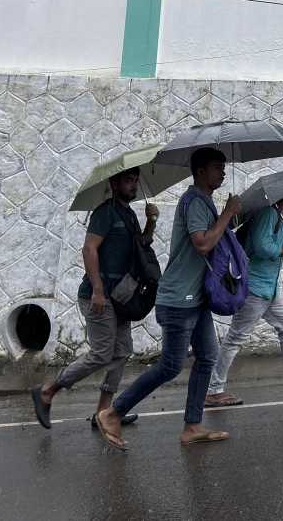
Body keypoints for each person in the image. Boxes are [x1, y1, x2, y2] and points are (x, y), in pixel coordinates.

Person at [94, 147, 241, 449]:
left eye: (223, 167)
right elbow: (202, 244)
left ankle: (192, 425)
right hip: (178, 299)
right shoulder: (195, 201)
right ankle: (113, 413)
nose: (222, 172)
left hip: (195, 297)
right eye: (216, 167)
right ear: (200, 171)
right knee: (170, 366)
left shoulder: (205, 202)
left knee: (207, 357)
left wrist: (229, 216)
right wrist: (227, 213)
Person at [30, 167, 158, 430]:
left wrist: (151, 221)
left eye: (135, 181)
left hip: (120, 297)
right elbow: (89, 249)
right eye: (128, 181)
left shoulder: (130, 214)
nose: (133, 186)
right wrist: (98, 290)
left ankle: (104, 412)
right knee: (102, 353)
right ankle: (47, 390)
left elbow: (140, 244)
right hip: (98, 296)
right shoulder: (105, 212)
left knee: (121, 351)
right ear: (114, 184)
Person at [205, 188, 283, 406]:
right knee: (235, 339)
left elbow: (270, 243)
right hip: (255, 287)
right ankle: (214, 388)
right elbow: (261, 247)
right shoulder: (268, 213)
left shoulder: (282, 214)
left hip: (270, 289)